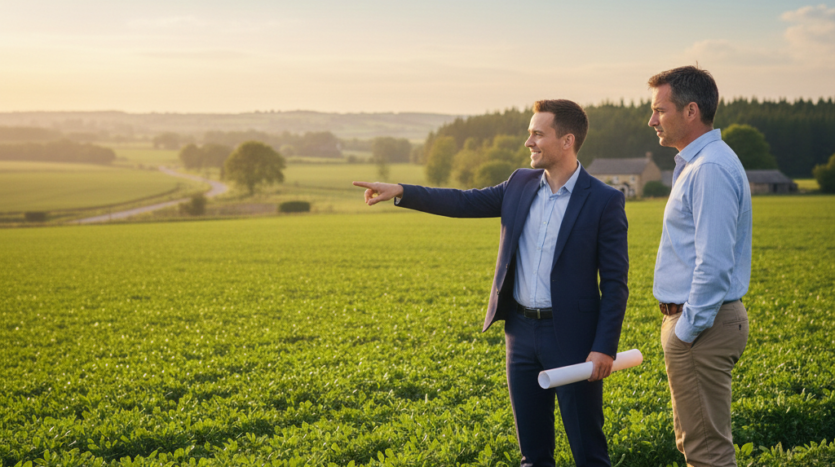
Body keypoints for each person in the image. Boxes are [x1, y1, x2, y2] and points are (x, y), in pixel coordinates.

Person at [353, 99, 628, 467]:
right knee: (533, 455)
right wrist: (402, 190)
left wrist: (604, 347)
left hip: (573, 338)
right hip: (520, 334)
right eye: (529, 134)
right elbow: (462, 202)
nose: (528, 142)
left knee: (588, 453)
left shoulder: (604, 200)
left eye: (537, 134)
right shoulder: (519, 184)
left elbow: (615, 284)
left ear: (567, 141)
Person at [648, 66, 752, 467]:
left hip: (702, 328)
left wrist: (686, 331)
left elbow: (714, 263)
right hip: (700, 326)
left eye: (660, 110)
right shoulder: (699, 164)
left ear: (691, 111)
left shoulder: (709, 168)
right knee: (698, 447)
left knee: (707, 454)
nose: (652, 120)